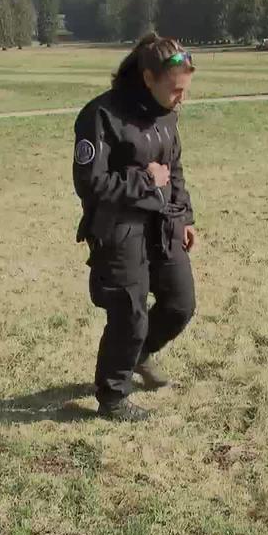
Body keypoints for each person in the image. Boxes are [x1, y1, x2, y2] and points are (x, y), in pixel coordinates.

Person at [72, 33, 198, 421]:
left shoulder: (167, 115)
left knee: (180, 304)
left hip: (163, 223)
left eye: (185, 90)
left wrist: (185, 216)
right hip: (119, 228)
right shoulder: (101, 116)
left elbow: (173, 170)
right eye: (176, 90)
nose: (182, 98)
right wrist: (145, 181)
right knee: (130, 312)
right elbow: (89, 183)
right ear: (148, 78)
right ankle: (112, 396)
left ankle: (139, 354)